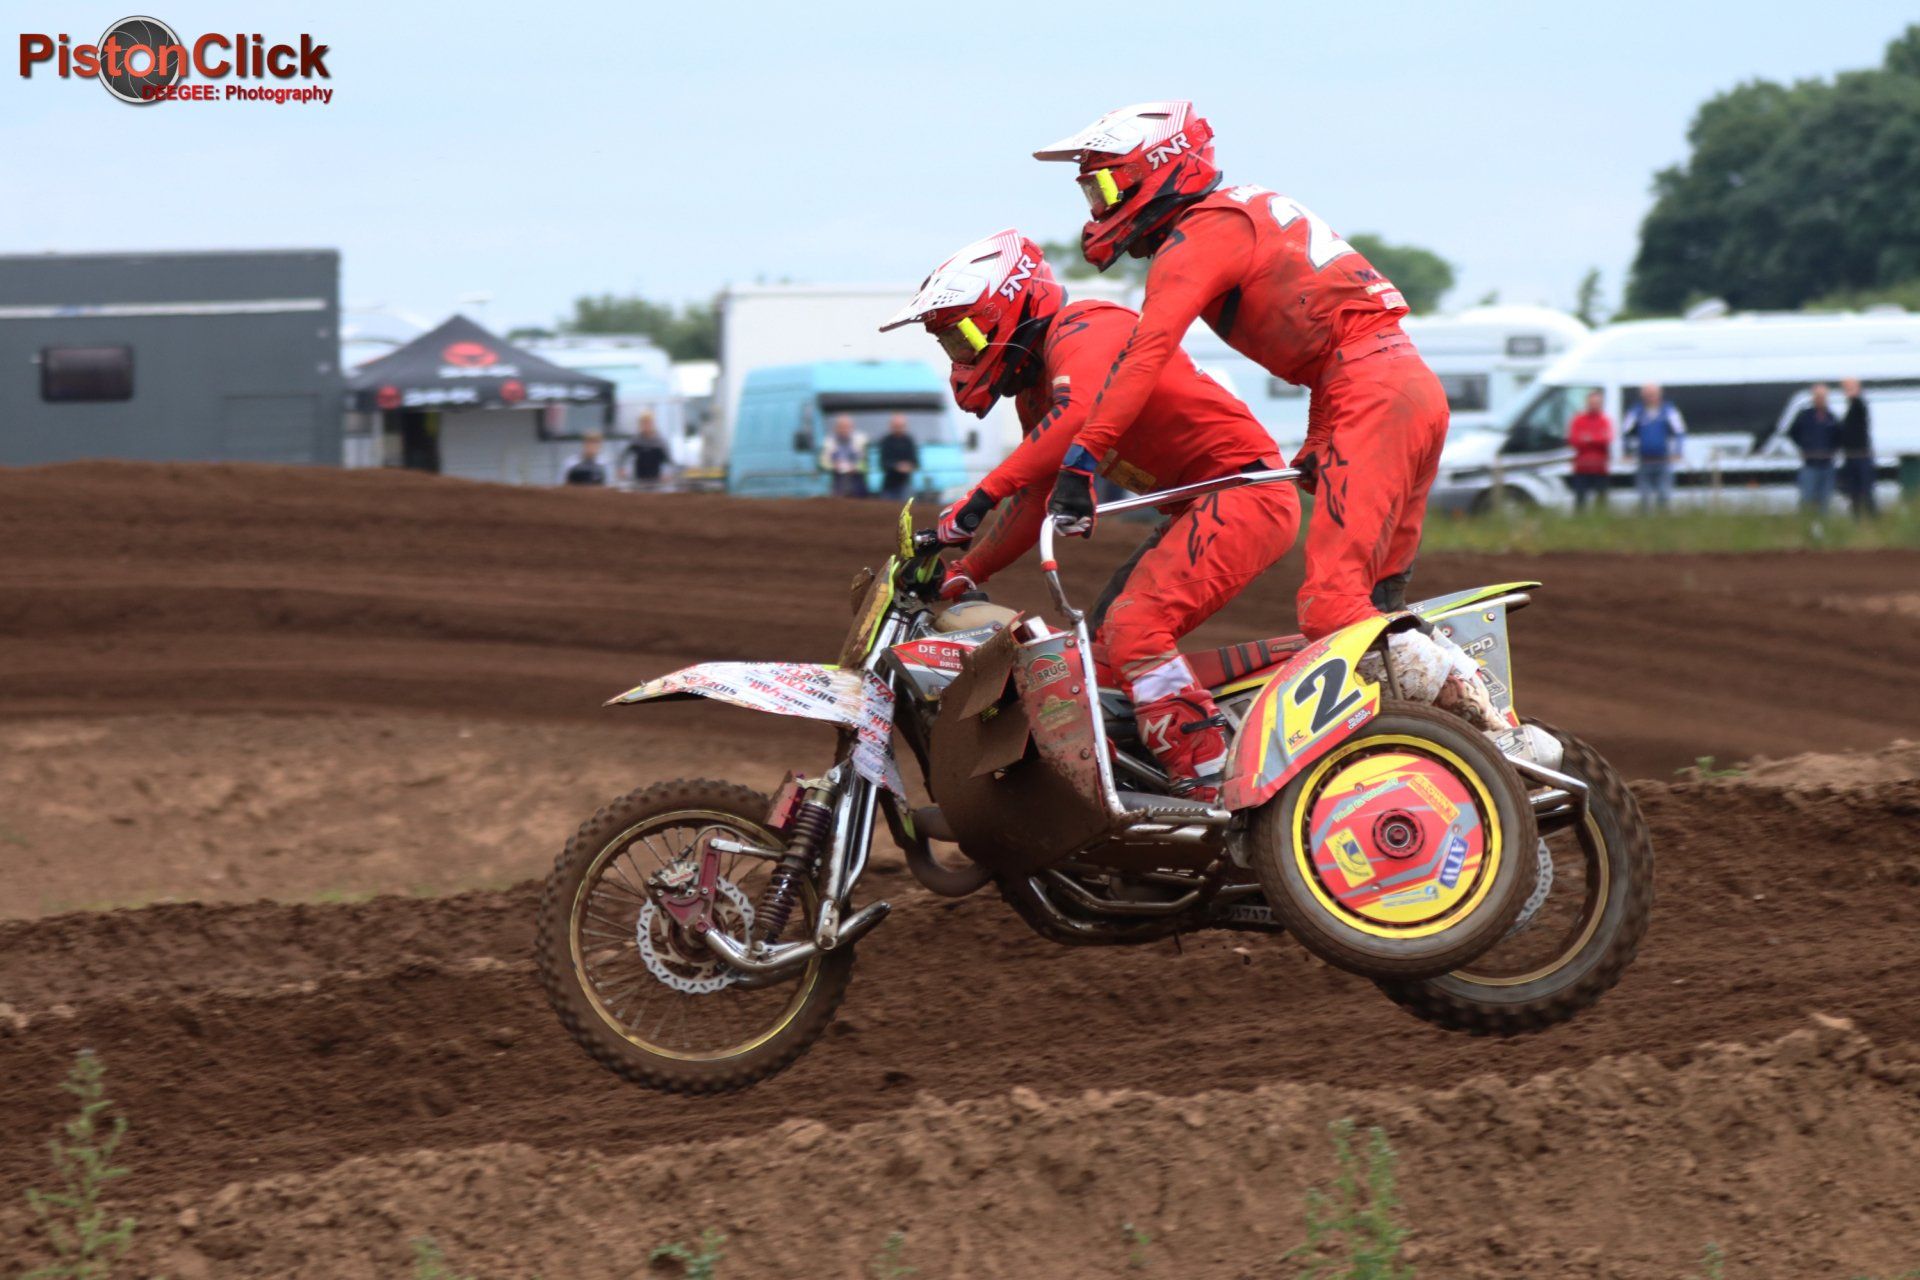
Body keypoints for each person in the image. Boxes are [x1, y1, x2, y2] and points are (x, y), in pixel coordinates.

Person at [1023, 103, 1511, 745]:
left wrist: (1086, 457)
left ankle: (1494, 736)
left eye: (1106, 184)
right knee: (1376, 605)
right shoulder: (1244, 208)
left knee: (1331, 608)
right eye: (1092, 189)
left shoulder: (1199, 234)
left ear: (1160, 166)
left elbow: (1147, 351)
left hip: (1371, 393)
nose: (1097, 202)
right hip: (1393, 383)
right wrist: (1318, 436)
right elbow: (1333, 337)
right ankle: (1442, 748)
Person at [880, 230, 1299, 798]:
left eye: (964, 334)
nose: (960, 355)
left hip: (1245, 492)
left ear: (1010, 306)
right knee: (1099, 664)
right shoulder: (1035, 396)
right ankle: (1138, 789)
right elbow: (1034, 495)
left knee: (1136, 628)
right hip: (1194, 508)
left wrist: (978, 499)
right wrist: (969, 571)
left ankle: (1208, 778)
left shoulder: (1088, 326)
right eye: (949, 343)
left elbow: (1080, 414)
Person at [1621, 383, 1685, 512]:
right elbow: (1626, 432)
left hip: (1663, 459)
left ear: (1659, 395)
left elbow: (1680, 432)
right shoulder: (1636, 411)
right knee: (1644, 496)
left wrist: (1678, 451)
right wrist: (1627, 451)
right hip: (1643, 459)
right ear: (1642, 396)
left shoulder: (1669, 410)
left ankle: (1663, 522)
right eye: (1647, 394)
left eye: (1653, 394)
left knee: (1664, 494)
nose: (1650, 397)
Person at [1787, 383, 1840, 516]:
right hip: (1810, 465)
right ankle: (1806, 526)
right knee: (1807, 499)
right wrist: (1804, 446)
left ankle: (1823, 528)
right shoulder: (1805, 416)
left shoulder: (1831, 417)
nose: (1820, 399)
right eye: (1818, 396)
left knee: (1824, 501)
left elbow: (1839, 437)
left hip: (1827, 465)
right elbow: (1792, 432)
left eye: (1823, 396)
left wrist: (1832, 450)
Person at [1566, 389, 1614, 512]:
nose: (1594, 405)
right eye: (1592, 403)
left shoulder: (1605, 420)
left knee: (1601, 501)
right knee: (1580, 501)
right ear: (1587, 403)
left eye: (1597, 403)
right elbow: (1574, 440)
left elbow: (1607, 439)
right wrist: (1596, 439)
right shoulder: (1578, 420)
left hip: (1600, 467)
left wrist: (1588, 438)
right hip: (1582, 467)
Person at [1838, 378, 1877, 518]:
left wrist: (1854, 394)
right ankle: (1857, 519)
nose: (1846, 391)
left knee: (1866, 491)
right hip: (1851, 456)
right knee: (1853, 492)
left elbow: (1859, 408)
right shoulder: (1850, 407)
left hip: (1861, 456)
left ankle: (1873, 520)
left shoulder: (1859, 405)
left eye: (1849, 388)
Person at [819, 415, 869, 498]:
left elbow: (866, 463)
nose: (844, 429)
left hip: (857, 483)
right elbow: (823, 462)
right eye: (841, 427)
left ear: (852, 427)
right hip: (838, 483)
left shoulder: (860, 441)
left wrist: (855, 467)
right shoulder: (829, 442)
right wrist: (834, 466)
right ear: (836, 428)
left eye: (847, 427)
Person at [622, 411, 674, 488]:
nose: (646, 426)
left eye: (648, 423)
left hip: (656, 482)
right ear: (640, 425)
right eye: (643, 423)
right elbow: (624, 456)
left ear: (653, 424)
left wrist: (668, 473)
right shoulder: (635, 440)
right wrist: (622, 468)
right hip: (638, 481)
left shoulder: (660, 442)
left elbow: (669, 462)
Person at [877, 413, 920, 501]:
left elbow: (916, 462)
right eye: (896, 426)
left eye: (901, 426)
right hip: (889, 485)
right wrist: (897, 466)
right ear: (891, 426)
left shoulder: (909, 441)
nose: (899, 428)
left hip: (906, 484)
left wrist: (909, 466)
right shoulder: (886, 441)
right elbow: (882, 463)